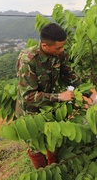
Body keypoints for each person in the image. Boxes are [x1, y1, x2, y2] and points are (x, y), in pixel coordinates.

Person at [16, 23, 81, 169]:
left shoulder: (60, 54)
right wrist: (59, 97)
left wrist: (90, 92)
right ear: (44, 46)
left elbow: (69, 76)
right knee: (36, 145)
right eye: (58, 48)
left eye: (63, 46)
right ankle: (42, 174)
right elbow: (28, 96)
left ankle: (55, 170)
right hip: (31, 111)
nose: (62, 50)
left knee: (53, 139)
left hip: (49, 107)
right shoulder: (28, 60)